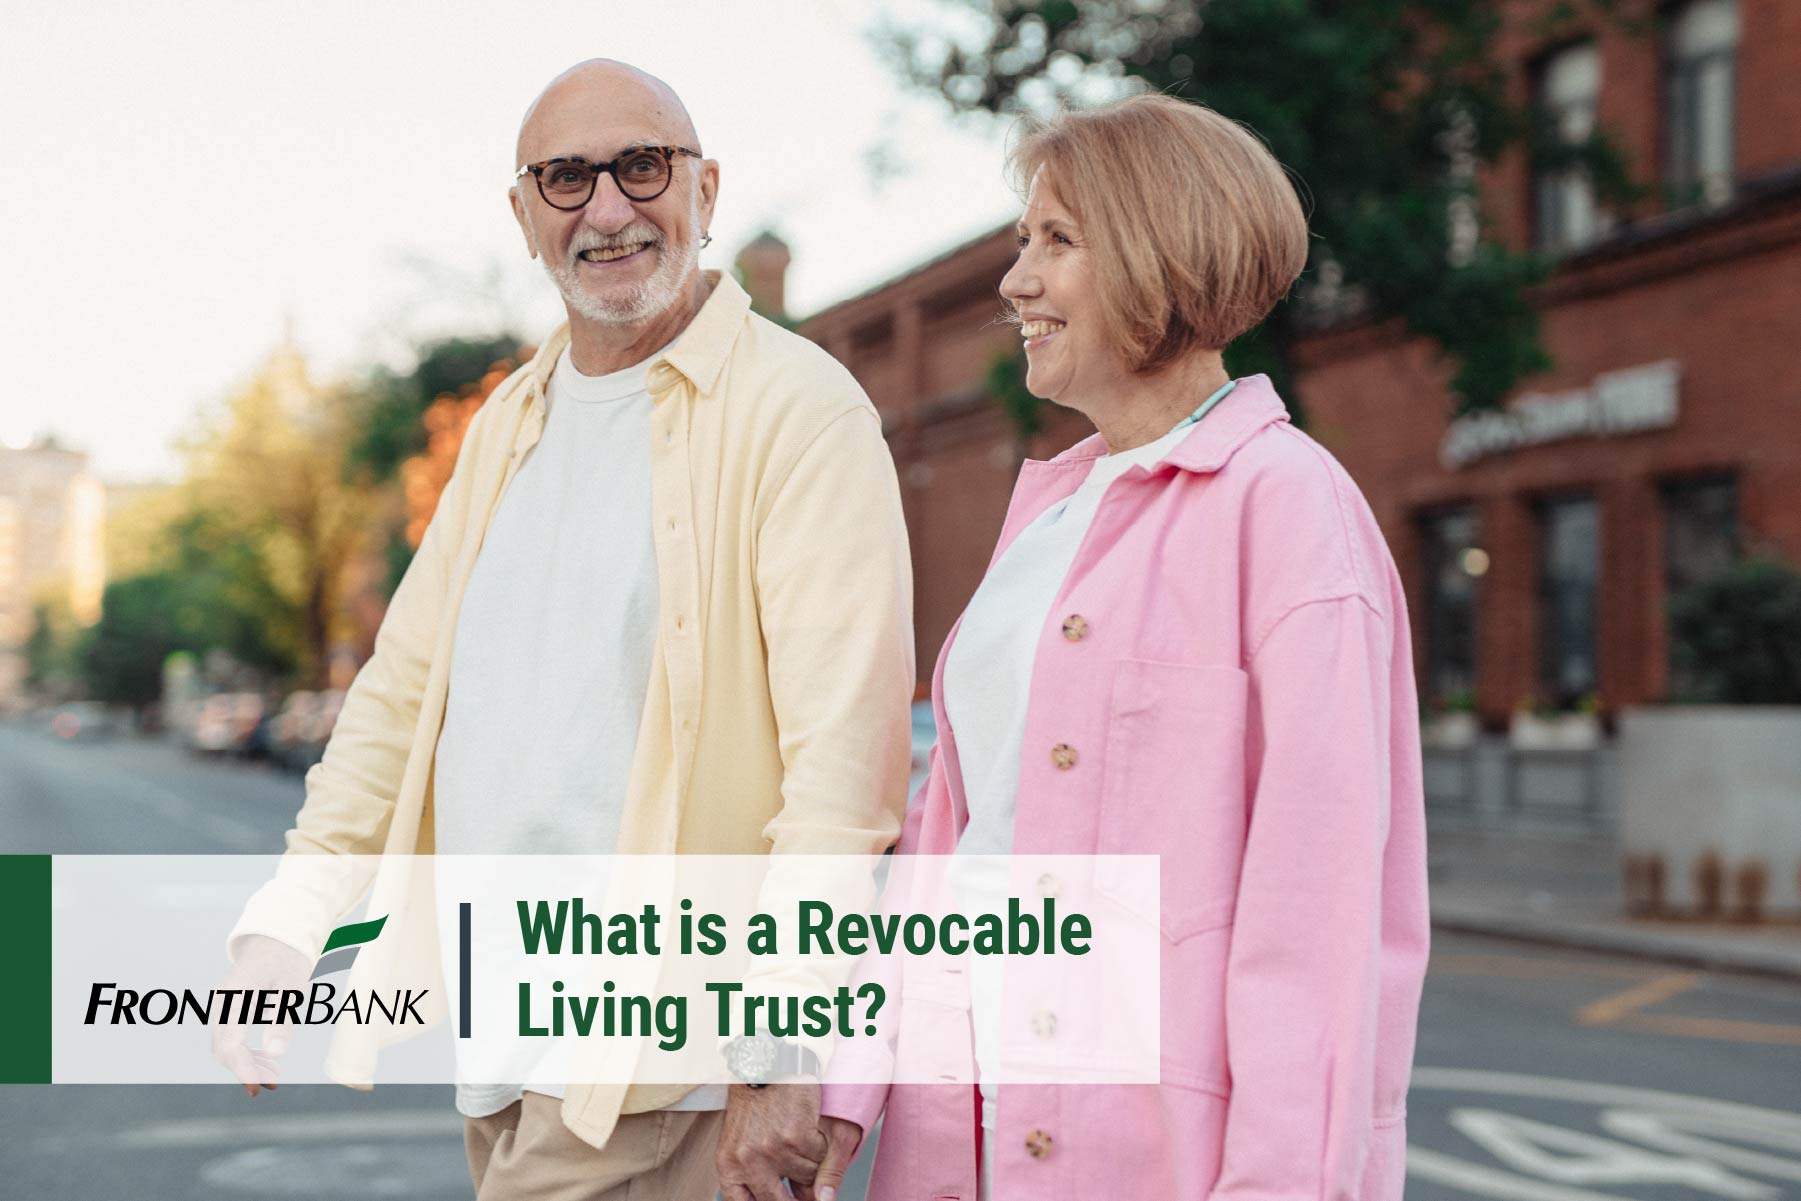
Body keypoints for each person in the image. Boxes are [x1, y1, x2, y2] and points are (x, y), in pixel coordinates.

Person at [212, 59, 914, 1201]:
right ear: (524, 213)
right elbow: (400, 695)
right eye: (567, 178)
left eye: (642, 167)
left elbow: (842, 770)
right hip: (507, 1056)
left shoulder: (799, 409)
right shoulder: (509, 422)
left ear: (705, 189)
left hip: (667, 1068)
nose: (609, 208)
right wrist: (294, 914)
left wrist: (783, 1050)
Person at [812, 94, 1431, 1201]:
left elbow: (1319, 923)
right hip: (964, 1137)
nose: (1015, 282)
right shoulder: (1047, 518)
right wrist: (846, 1090)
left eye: (1056, 241)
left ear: (1158, 252)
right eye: (1019, 242)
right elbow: (948, 848)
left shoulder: (1286, 507)